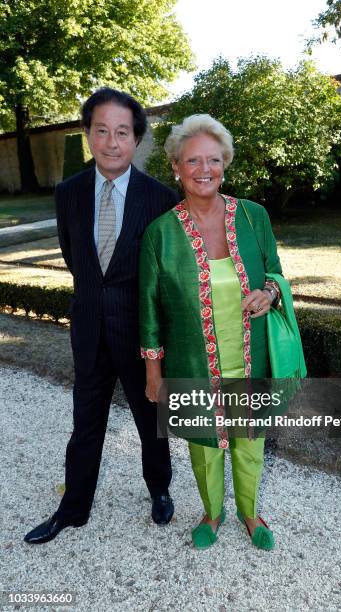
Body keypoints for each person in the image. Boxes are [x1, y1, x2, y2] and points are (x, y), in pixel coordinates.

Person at [24, 88, 178, 545]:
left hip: (140, 333)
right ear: (88, 133)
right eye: (102, 130)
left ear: (136, 139)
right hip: (89, 330)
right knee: (84, 423)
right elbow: (76, 259)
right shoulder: (68, 192)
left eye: (123, 132)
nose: (112, 142)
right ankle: (73, 509)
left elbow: (165, 274)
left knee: (152, 419)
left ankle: (160, 490)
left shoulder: (159, 198)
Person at [139, 114, 283, 550]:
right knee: (204, 446)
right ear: (176, 168)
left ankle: (250, 512)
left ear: (225, 164)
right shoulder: (159, 235)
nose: (205, 169)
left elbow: (275, 272)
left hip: (251, 356)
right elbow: (148, 309)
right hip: (192, 361)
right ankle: (212, 512)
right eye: (193, 160)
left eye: (213, 160)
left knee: (250, 442)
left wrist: (270, 293)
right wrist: (154, 373)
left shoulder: (255, 218)